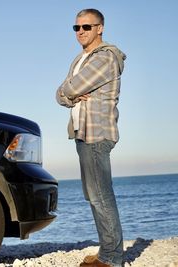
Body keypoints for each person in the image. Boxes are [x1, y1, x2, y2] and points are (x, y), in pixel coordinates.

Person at [56, 9, 126, 267]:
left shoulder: (105, 57)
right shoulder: (80, 59)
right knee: (93, 195)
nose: (81, 32)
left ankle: (112, 258)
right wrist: (69, 94)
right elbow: (60, 95)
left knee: (100, 196)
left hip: (97, 133)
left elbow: (70, 88)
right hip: (82, 132)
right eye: (76, 28)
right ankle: (107, 252)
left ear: (100, 28)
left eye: (86, 26)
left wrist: (69, 92)